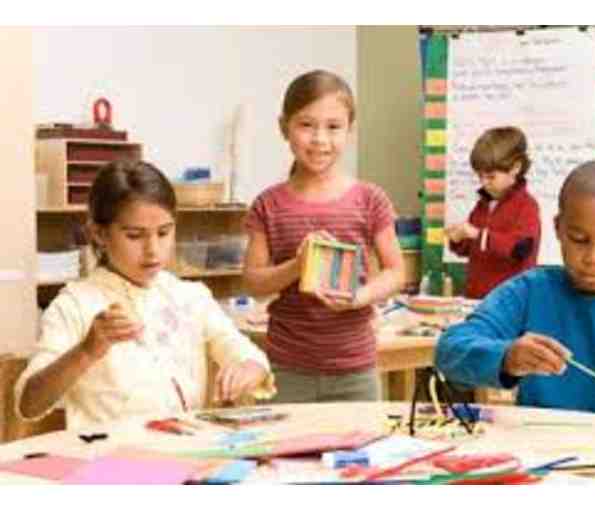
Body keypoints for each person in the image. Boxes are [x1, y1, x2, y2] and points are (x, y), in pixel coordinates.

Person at [15, 161, 274, 429]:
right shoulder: (76, 304)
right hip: (108, 452)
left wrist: (249, 368)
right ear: (99, 233)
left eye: (164, 232)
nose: (153, 250)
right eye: (135, 236)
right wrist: (86, 351)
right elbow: (29, 403)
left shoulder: (189, 296)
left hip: (185, 447)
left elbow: (246, 354)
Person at [435, 159, 595, 421]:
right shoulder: (529, 292)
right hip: (543, 442)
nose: (593, 258)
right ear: (558, 228)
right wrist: (507, 357)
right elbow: (449, 351)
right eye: (579, 239)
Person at [243, 69, 404, 403]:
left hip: (355, 368)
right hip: (287, 368)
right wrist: (297, 265)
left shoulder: (370, 199)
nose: (319, 139)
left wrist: (359, 296)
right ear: (283, 127)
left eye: (333, 127)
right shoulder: (268, 204)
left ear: (350, 130)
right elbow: (254, 282)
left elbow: (396, 272)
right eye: (306, 125)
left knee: (360, 440)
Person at [445, 126, 541, 298]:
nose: (484, 183)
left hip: (511, 301)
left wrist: (478, 234)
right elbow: (472, 248)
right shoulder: (482, 205)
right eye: (480, 176)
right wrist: (458, 239)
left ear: (516, 167)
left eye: (491, 177)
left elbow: (521, 249)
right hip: (478, 298)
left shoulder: (527, 206)